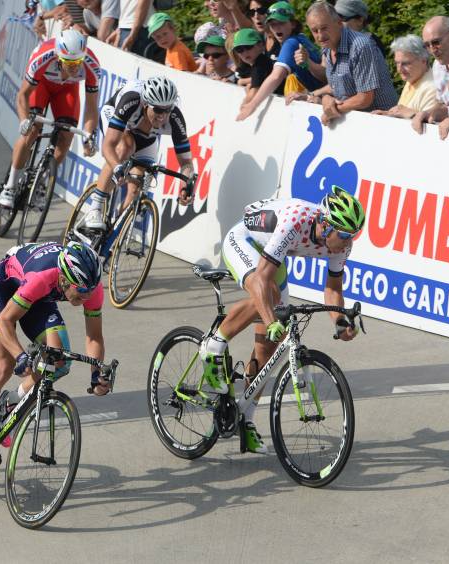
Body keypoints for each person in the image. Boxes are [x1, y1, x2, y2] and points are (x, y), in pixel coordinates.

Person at [201, 186, 365, 453]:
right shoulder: (295, 221)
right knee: (271, 299)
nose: (349, 242)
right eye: (345, 235)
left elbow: (333, 288)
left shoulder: (340, 244)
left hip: (270, 254)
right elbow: (262, 280)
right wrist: (271, 319)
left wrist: (339, 322)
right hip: (243, 241)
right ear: (325, 225)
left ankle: (246, 419)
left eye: (354, 235)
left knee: (267, 349)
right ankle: (214, 345)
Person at [0, 241, 109, 473]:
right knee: (3, 364)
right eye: (80, 292)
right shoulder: (44, 276)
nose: (86, 297)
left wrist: (96, 373)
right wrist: (20, 355)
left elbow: (94, 337)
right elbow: (4, 321)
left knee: (59, 361)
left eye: (90, 292)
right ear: (65, 279)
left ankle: (10, 402)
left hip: (41, 298)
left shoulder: (90, 286)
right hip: (3, 288)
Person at [0, 29, 100, 208]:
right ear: (59, 57)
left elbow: (91, 107)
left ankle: (41, 182)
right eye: (69, 62)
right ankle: (10, 185)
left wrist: (89, 135)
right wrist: (24, 121)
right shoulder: (43, 56)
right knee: (32, 131)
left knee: (66, 137)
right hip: (41, 85)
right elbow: (23, 95)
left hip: (67, 89)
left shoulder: (92, 65)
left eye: (78, 61)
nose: (75, 66)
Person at [81, 76, 195, 229]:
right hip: (117, 120)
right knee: (123, 149)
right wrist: (117, 167)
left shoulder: (175, 117)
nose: (162, 116)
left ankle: (112, 233)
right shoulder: (131, 101)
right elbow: (108, 146)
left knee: (136, 189)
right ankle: (95, 207)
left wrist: (185, 186)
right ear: (145, 104)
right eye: (158, 110)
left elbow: (186, 163)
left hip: (147, 138)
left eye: (167, 110)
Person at [290, 1, 397, 125]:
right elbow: (338, 85)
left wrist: (331, 109)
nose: (320, 35)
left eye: (324, 28)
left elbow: (365, 98)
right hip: (355, 123)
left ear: (339, 23)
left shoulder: (360, 46)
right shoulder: (327, 46)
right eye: (315, 31)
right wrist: (311, 97)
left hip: (382, 125)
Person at [236, 1, 325, 121]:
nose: (277, 28)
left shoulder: (290, 43)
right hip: (322, 95)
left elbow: (276, 77)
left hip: (321, 100)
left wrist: (252, 106)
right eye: (272, 24)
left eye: (281, 23)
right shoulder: (302, 38)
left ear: (292, 24)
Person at [372, 34, 437, 119]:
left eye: (405, 63)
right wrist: (387, 114)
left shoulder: (432, 88)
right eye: (397, 63)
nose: (399, 70)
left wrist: (411, 114)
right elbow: (404, 113)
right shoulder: (413, 79)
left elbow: (428, 124)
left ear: (423, 61)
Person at [232, 28, 280, 104]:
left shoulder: (261, 62)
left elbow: (254, 91)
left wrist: (243, 107)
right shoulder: (244, 66)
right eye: (239, 50)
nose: (245, 52)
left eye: (248, 47)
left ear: (261, 45)